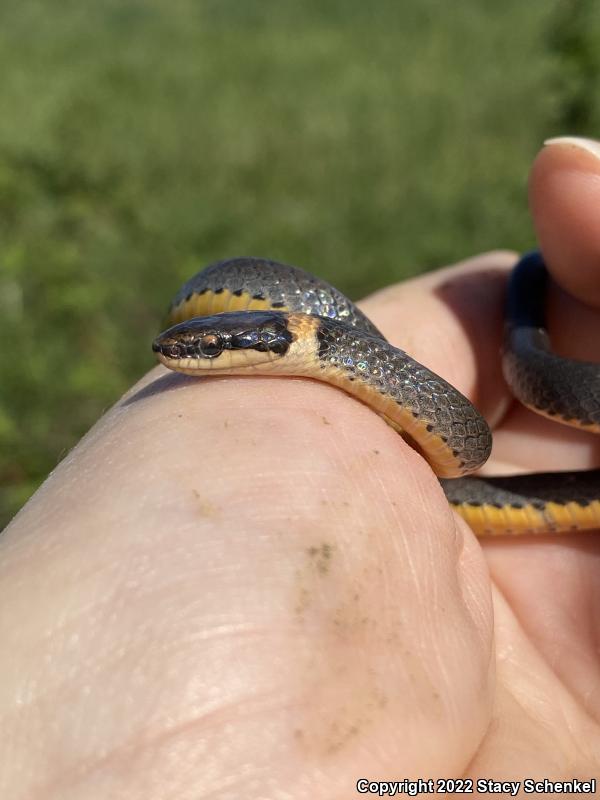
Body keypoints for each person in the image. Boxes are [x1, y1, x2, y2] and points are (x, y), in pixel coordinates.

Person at [1, 138, 599, 795]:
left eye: (217, 349)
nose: (191, 354)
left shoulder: (352, 355)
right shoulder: (325, 356)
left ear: (277, 341)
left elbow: (469, 448)